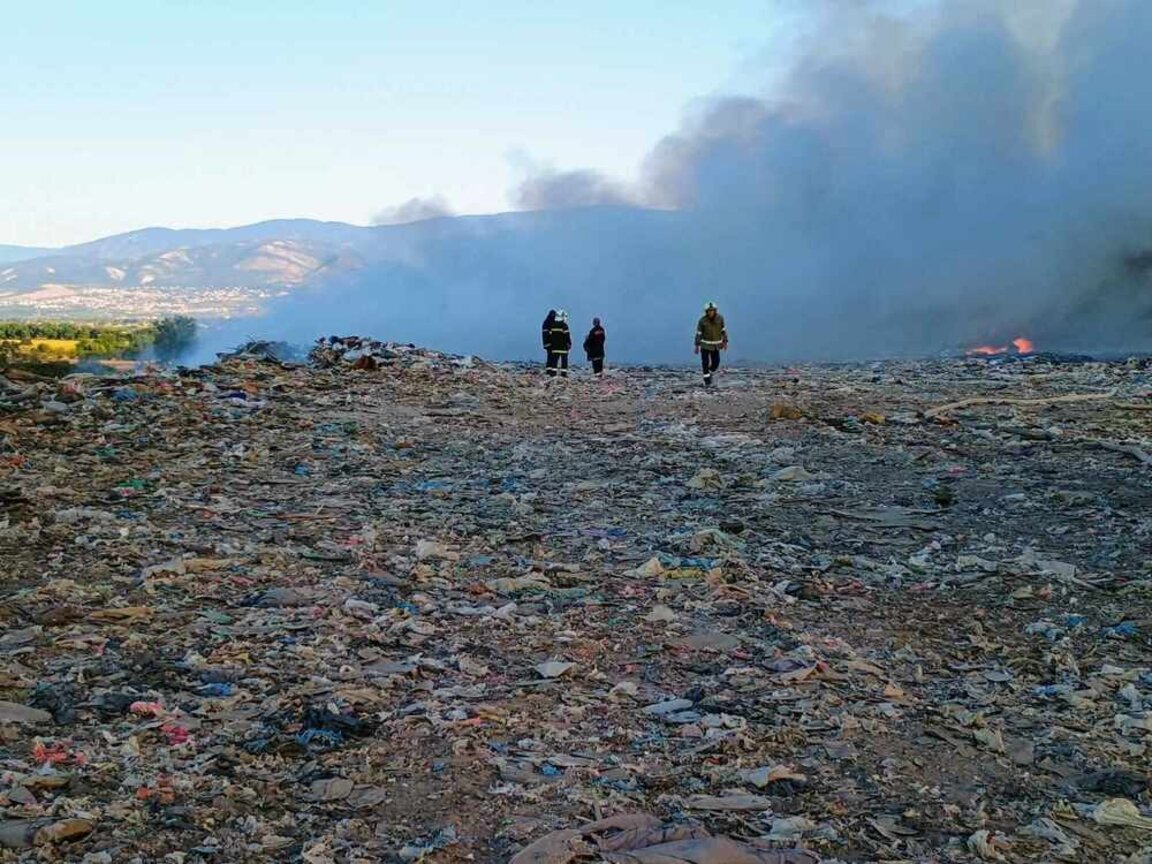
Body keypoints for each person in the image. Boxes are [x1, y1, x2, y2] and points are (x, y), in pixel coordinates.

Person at [693, 301, 727, 386]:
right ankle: (707, 380)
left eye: (712, 310)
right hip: (705, 345)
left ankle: (710, 372)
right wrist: (697, 346)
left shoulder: (720, 318)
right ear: (706, 312)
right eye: (709, 311)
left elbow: (723, 331)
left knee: (716, 362)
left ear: (715, 311)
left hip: (716, 345)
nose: (711, 312)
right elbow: (699, 333)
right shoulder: (702, 321)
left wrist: (725, 342)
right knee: (705, 362)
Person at [544, 309, 572, 377]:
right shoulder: (564, 325)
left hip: (555, 347)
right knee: (564, 361)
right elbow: (567, 336)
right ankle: (563, 374)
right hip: (563, 347)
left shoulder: (553, 325)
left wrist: (549, 343)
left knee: (554, 361)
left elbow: (550, 336)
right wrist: (569, 343)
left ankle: (553, 373)